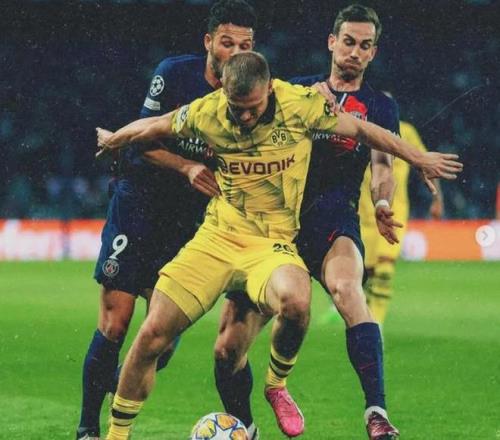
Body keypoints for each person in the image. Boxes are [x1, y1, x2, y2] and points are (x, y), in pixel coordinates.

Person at [96, 51, 462, 439]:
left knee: (297, 301)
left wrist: (418, 158)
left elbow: (363, 130)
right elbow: (155, 125)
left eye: (253, 108)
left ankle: (276, 383)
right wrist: (114, 138)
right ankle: (117, 434)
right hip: (216, 239)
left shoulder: (299, 104)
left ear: (269, 89)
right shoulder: (208, 111)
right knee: (153, 334)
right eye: (237, 108)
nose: (245, 117)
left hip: (270, 244)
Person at [211, 5, 427, 439]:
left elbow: (382, 166)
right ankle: (246, 427)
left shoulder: (380, 106)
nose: (355, 52)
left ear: (373, 52)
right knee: (227, 348)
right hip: (276, 225)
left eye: (365, 45)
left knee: (349, 290)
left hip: (333, 219)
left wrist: (383, 202)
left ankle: (377, 413)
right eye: (348, 42)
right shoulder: (295, 90)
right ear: (332, 42)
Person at [75, 2, 256, 438]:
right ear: (208, 42)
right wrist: (187, 167)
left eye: (245, 45)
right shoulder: (174, 74)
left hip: (189, 225)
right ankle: (87, 429)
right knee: (115, 323)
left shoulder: (252, 96)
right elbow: (140, 142)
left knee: (162, 340)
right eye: (227, 43)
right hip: (138, 205)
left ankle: (120, 383)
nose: (235, 53)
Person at [360, 117, 443, 325]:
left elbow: (425, 163)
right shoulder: (361, 127)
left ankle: (376, 323)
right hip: (363, 213)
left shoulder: (406, 131)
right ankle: (366, 316)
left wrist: (437, 198)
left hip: (394, 212)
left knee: (384, 269)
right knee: (367, 273)